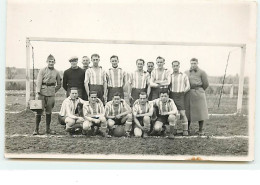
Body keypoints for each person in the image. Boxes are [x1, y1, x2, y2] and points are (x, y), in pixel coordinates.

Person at [33, 54, 62, 135]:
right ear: (47, 62)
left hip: (51, 94)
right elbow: (38, 82)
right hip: (42, 93)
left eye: (52, 62)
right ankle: (36, 129)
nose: (51, 63)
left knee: (49, 112)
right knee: (39, 111)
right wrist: (38, 93)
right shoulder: (42, 70)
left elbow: (59, 84)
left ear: (54, 62)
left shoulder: (56, 72)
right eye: (49, 61)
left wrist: (53, 91)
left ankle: (48, 129)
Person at [185, 58, 209, 135]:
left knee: (200, 111)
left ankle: (201, 130)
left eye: (194, 63)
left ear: (197, 63)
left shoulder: (202, 72)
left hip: (199, 93)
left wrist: (199, 90)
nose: (193, 65)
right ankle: (186, 129)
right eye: (191, 63)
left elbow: (206, 84)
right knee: (188, 112)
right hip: (189, 93)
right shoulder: (186, 72)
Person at [169, 60, 190, 136]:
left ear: (179, 66)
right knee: (174, 113)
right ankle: (175, 129)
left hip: (180, 95)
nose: (175, 67)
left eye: (176, 65)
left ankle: (185, 130)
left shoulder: (183, 75)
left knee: (182, 113)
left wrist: (183, 92)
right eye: (174, 66)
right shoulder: (170, 75)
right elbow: (168, 85)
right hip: (172, 95)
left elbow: (188, 86)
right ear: (172, 67)